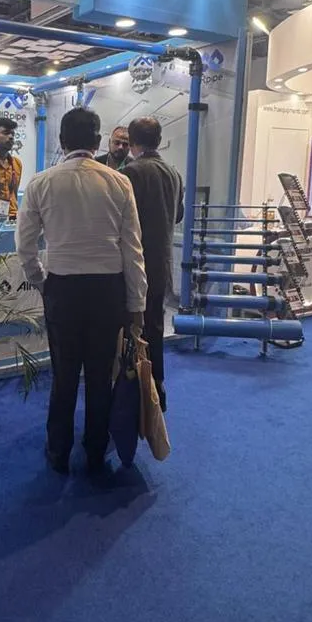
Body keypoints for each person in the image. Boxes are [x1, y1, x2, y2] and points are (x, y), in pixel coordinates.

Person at [16, 106, 147, 475]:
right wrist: (136, 302)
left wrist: (41, 281)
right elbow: (132, 248)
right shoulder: (119, 183)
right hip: (108, 290)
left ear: (61, 141)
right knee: (102, 375)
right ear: (97, 141)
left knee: (64, 374)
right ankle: (95, 451)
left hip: (63, 288)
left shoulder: (41, 183)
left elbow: (24, 247)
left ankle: (58, 451)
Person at [123, 116, 184, 412]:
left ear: (131, 142)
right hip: (162, 262)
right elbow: (178, 215)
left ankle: (134, 394)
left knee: (130, 329)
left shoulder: (130, 173)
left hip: (133, 264)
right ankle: (157, 390)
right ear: (158, 141)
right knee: (155, 326)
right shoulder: (174, 173)